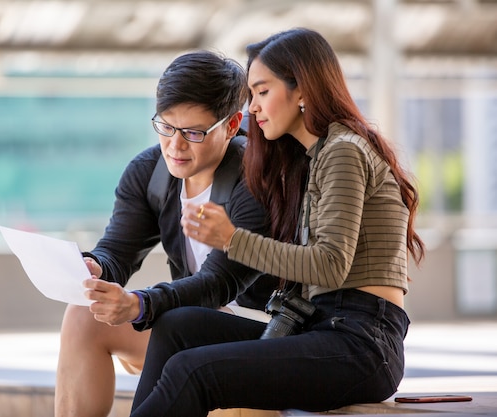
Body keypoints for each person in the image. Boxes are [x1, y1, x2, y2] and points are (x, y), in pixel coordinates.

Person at [130, 28, 426, 417]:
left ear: (301, 90)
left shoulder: (344, 151)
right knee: (176, 326)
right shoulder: (313, 156)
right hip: (321, 327)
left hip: (363, 342)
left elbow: (331, 265)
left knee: (195, 371)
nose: (252, 107)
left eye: (262, 91)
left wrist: (232, 239)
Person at [55, 51, 283, 417]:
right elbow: (117, 250)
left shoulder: (256, 174)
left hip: (259, 333)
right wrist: (95, 268)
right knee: (83, 316)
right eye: (165, 127)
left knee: (183, 323)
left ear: (231, 124)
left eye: (193, 132)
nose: (175, 146)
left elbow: (220, 282)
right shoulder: (149, 172)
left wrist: (141, 304)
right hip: (183, 327)